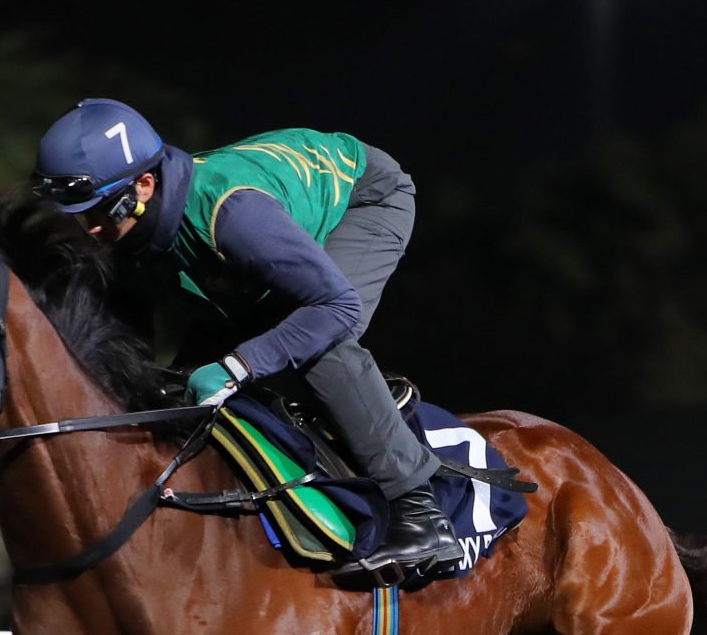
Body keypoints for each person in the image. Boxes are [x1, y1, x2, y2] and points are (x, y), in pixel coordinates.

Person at [28, 98, 460, 578]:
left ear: (145, 185)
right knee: (184, 381)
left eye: (100, 211)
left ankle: (419, 510)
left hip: (364, 200)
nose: (89, 228)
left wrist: (238, 367)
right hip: (268, 229)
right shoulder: (125, 230)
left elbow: (336, 307)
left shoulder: (231, 214)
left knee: (320, 349)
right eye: (76, 215)